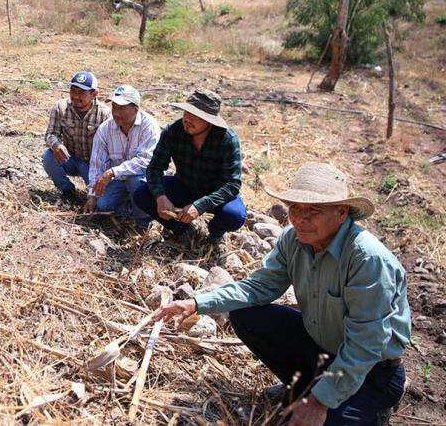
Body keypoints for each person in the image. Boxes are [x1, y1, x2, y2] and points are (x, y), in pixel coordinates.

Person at [154, 163, 410, 425]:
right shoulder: (294, 239)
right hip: (321, 349)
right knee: (246, 314)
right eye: (295, 208)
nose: (300, 218)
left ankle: (366, 407)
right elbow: (259, 287)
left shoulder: (366, 259)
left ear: (342, 212)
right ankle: (301, 387)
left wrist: (319, 402)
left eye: (314, 210)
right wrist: (197, 303)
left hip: (371, 370)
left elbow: (365, 344)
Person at [133, 89, 246, 251]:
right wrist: (160, 197)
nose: (188, 119)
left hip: (215, 192)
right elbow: (155, 168)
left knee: (234, 216)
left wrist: (200, 206)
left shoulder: (227, 139)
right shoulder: (172, 131)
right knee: (142, 194)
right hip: (184, 186)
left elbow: (232, 185)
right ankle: (181, 229)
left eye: (197, 116)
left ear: (210, 121)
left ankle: (215, 233)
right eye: (187, 112)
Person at [83, 85, 160, 231]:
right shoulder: (105, 129)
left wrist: (113, 172)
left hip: (142, 178)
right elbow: (97, 164)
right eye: (114, 107)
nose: (116, 113)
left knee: (136, 183)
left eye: (121, 108)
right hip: (119, 181)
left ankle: (142, 223)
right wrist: (92, 196)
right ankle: (132, 209)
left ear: (135, 109)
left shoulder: (149, 126)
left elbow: (146, 160)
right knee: (103, 206)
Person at [42, 71, 111, 203]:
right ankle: (67, 190)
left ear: (94, 94)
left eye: (81, 92)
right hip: (70, 158)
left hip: (93, 166)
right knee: (48, 157)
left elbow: (110, 149)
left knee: (103, 203)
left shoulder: (105, 114)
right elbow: (50, 134)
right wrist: (56, 145)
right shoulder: (60, 107)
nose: (76, 96)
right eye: (73, 90)